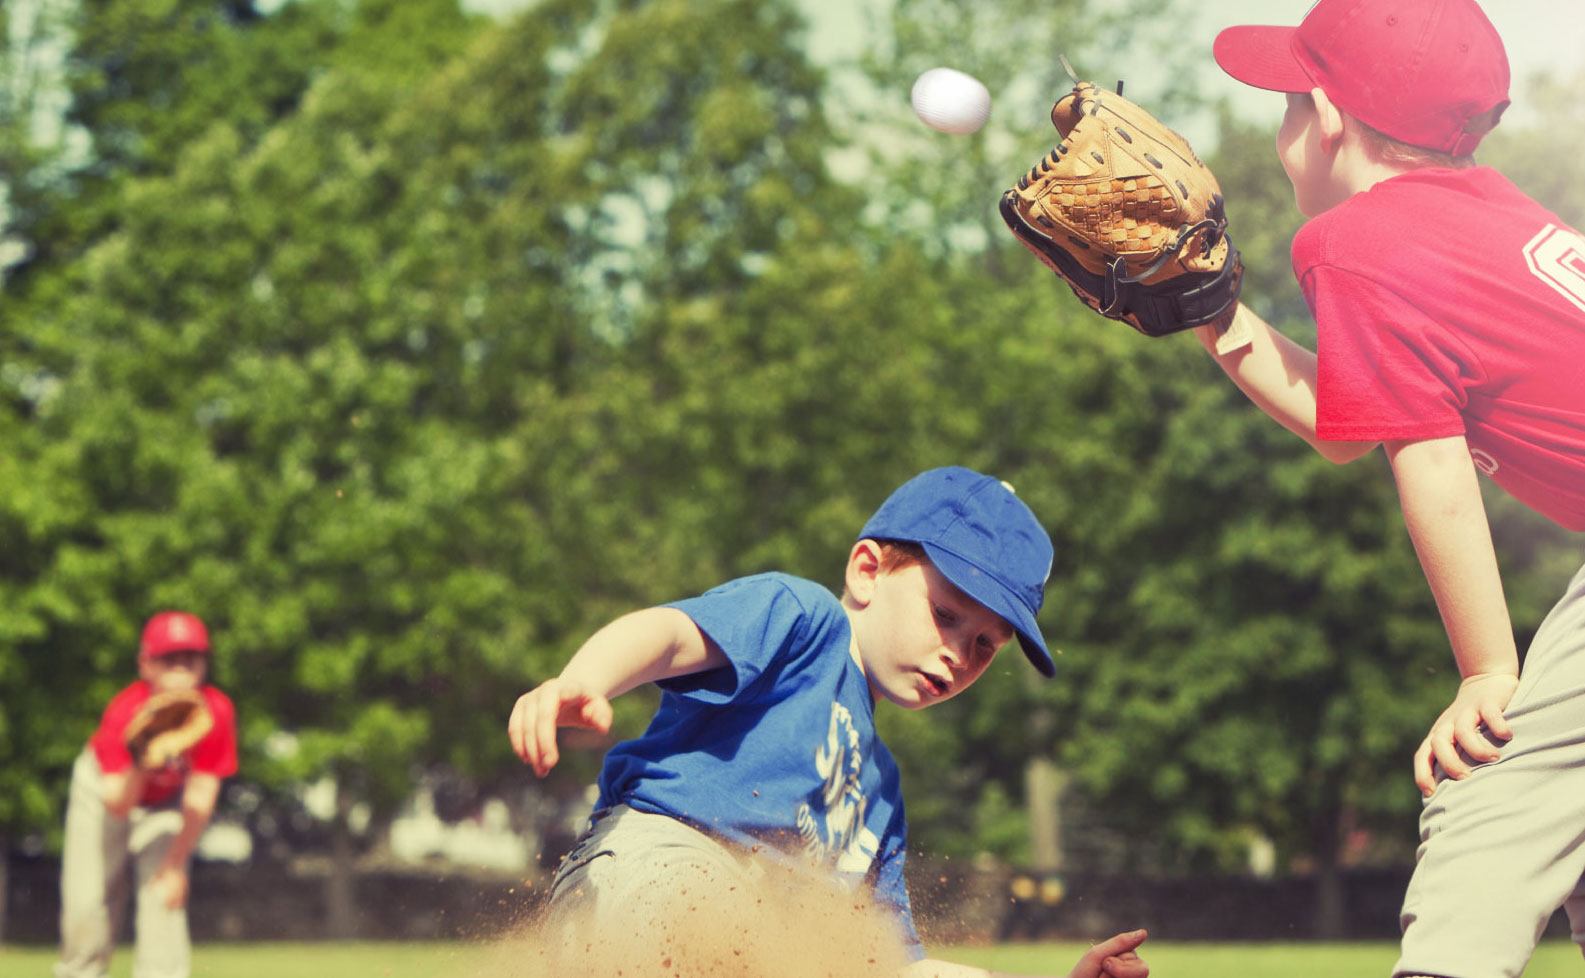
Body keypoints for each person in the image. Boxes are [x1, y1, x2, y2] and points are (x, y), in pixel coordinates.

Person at [1197, 1, 1585, 974]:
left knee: (1491, 786)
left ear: (1326, 117)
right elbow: (1349, 426)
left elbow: (1432, 463)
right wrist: (1214, 315)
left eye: (1288, 103)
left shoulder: (1356, 240)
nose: (1283, 129)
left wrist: (1487, 672)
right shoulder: (1489, 212)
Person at [508, 466, 1150, 978]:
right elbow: (672, 634)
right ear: (867, 571)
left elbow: (891, 968)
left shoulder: (881, 796)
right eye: (947, 615)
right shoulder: (804, 621)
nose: (959, 653)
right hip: (658, 865)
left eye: (985, 644)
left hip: (750, 940)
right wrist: (585, 678)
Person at [56, 611, 239, 978]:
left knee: (164, 896)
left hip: (166, 803)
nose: (182, 669)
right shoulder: (125, 711)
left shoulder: (215, 711)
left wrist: (175, 866)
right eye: (169, 659)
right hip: (105, 792)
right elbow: (118, 805)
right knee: (88, 903)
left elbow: (201, 795)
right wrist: (144, 755)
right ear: (146, 665)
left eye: (191, 658)